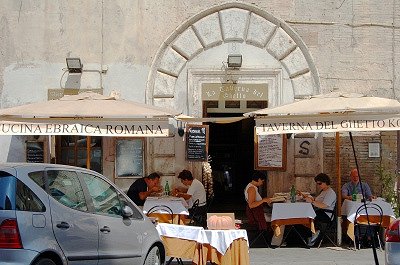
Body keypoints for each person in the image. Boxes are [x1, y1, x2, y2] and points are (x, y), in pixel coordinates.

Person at [244, 171, 285, 247]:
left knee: (278, 216)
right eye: (262, 181)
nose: (262, 183)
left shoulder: (253, 187)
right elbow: (251, 205)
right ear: (258, 179)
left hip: (257, 213)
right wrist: (263, 200)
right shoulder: (251, 189)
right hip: (257, 215)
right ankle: (276, 242)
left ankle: (276, 240)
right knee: (281, 220)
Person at [305, 173, 337, 246]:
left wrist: (312, 201)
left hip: (326, 215)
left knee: (308, 217)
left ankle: (314, 234)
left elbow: (324, 205)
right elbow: (317, 200)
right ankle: (311, 234)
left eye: (320, 183)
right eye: (317, 184)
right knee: (305, 215)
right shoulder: (323, 191)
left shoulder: (330, 193)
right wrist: (310, 198)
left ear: (325, 182)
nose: (318, 185)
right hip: (320, 212)